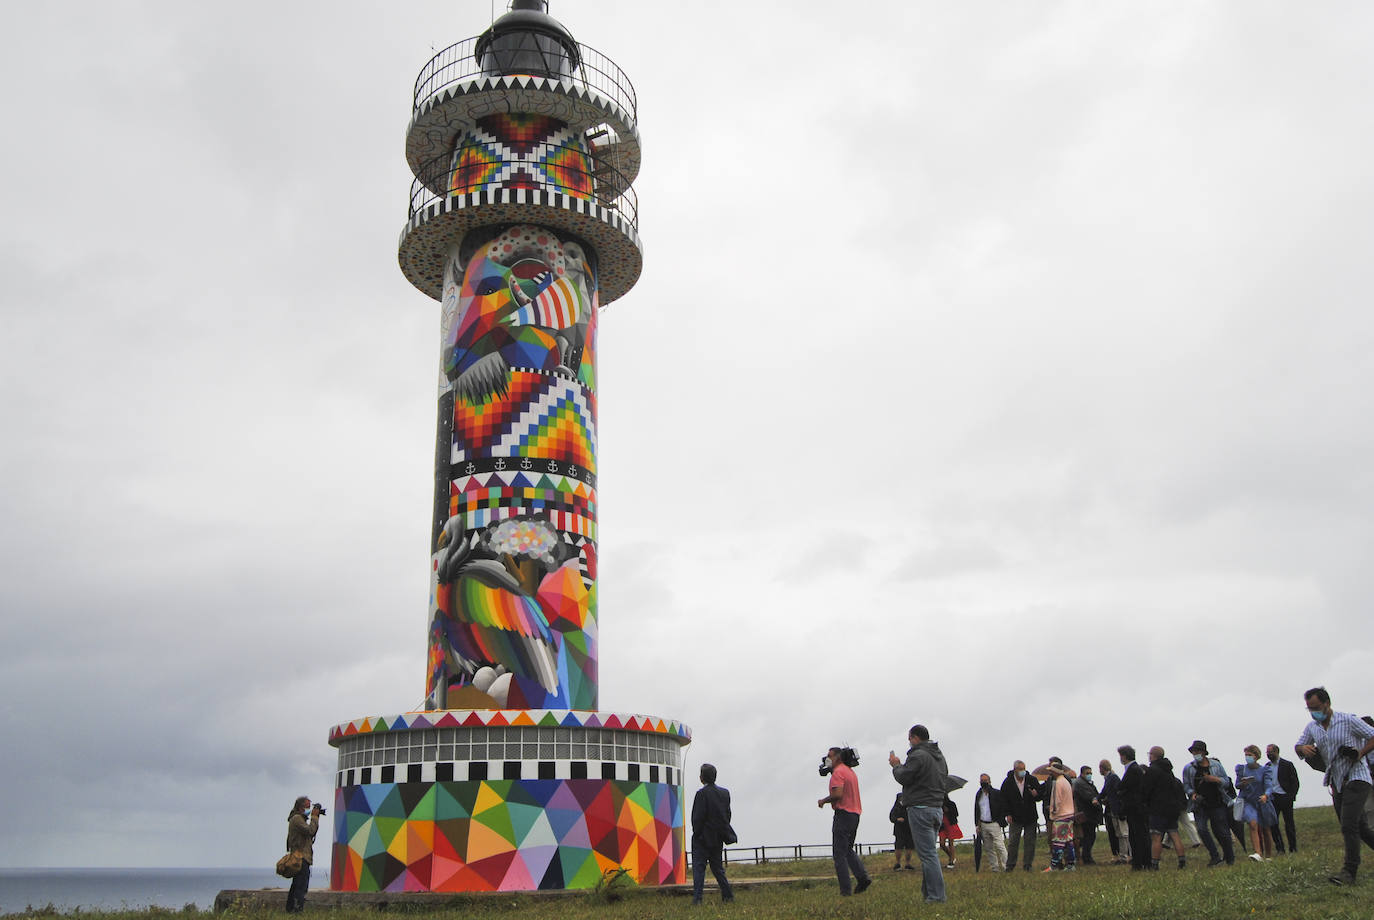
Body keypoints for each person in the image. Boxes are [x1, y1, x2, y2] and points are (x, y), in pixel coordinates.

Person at [1295, 687, 1374, 885]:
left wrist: (1360, 753)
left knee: (1349, 825)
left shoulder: (1347, 720)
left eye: (1316, 707)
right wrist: (1302, 748)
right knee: (1361, 829)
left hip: (1358, 777)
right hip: (1336, 782)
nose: (1314, 712)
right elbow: (1299, 745)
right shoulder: (1312, 727)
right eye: (1309, 709)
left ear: (1327, 703)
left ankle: (1349, 872)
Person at [890, 724, 949, 903]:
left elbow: (904, 777)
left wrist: (896, 765)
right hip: (936, 808)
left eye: (909, 739)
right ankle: (928, 894)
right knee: (929, 853)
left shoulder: (918, 755)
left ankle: (937, 897)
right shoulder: (939, 756)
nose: (909, 742)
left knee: (928, 855)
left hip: (920, 809)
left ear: (915, 738)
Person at [819, 746, 871, 896]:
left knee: (839, 854)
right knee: (848, 849)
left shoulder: (838, 772)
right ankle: (862, 878)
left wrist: (823, 800)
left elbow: (838, 794)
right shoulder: (850, 772)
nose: (827, 759)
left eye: (830, 756)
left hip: (843, 814)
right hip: (855, 814)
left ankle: (845, 891)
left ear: (838, 758)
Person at [1182, 740, 1235, 867]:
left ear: (1204, 752)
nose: (1195, 754)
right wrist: (1192, 793)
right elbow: (1186, 786)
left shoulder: (1216, 765)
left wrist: (1215, 779)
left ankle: (1229, 857)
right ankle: (1214, 856)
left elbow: (1226, 782)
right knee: (1201, 829)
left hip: (1217, 802)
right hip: (1200, 805)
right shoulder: (1189, 768)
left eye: (1197, 751)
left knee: (1222, 831)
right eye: (1193, 751)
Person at [690, 763, 735, 904]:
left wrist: (697, 833)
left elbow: (697, 817)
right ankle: (728, 896)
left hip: (702, 838)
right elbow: (727, 815)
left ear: (702, 777)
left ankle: (697, 899)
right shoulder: (725, 793)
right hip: (718, 837)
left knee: (699, 869)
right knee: (717, 868)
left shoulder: (701, 794)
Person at [1235, 744, 1277, 862]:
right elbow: (1237, 784)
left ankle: (1268, 855)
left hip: (1262, 801)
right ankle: (1257, 853)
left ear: (1256, 756)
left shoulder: (1264, 770)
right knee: (1253, 824)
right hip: (1248, 801)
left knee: (1266, 829)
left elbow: (1269, 786)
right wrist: (1243, 783)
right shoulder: (1242, 769)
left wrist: (1266, 795)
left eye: (1250, 755)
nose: (1247, 757)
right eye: (1246, 755)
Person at [999, 759, 1042, 872]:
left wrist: (1036, 794)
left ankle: (1027, 865)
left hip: (1030, 816)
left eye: (1024, 769)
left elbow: (1039, 795)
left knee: (1030, 842)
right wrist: (1007, 814)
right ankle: (1010, 865)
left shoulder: (1031, 780)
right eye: (1020, 769)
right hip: (1015, 817)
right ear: (1015, 770)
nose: (1023, 771)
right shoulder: (1008, 782)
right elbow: (1003, 800)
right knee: (1013, 842)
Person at [1040, 758, 1078, 871]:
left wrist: (1052, 812)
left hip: (1061, 816)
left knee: (1058, 842)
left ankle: (1054, 865)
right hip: (1069, 814)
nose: (1050, 773)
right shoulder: (1066, 782)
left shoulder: (1058, 783)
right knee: (1068, 841)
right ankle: (1070, 864)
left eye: (1052, 771)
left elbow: (1057, 801)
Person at [1118, 745, 1151, 870]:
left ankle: (1140, 862)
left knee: (1138, 836)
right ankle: (1141, 861)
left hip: (1136, 808)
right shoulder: (1134, 769)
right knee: (1138, 835)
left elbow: (1125, 787)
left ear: (1124, 756)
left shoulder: (1133, 770)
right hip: (1137, 808)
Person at [285, 796, 320, 913]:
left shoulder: (298, 819)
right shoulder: (297, 819)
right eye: (308, 807)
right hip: (301, 858)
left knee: (296, 884)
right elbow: (311, 831)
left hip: (300, 857)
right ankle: (297, 910)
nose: (310, 810)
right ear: (301, 808)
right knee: (301, 886)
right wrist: (315, 817)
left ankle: (290, 909)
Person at [1267, 743, 1300, 854]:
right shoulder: (1267, 767)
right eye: (1267, 752)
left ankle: (1293, 847)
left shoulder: (1287, 765)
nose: (1268, 754)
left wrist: (1291, 796)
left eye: (1270, 752)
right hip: (1273, 798)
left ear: (1276, 752)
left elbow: (1295, 782)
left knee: (1289, 824)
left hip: (1285, 797)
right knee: (1273, 824)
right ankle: (1280, 848)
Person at [972, 773, 1008, 872]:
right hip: (983, 824)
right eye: (981, 781)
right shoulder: (979, 794)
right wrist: (977, 824)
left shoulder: (996, 793)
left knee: (1000, 846)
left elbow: (1003, 807)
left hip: (994, 823)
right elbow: (977, 810)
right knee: (988, 848)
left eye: (985, 780)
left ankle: (1006, 867)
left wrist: (1000, 820)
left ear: (989, 781)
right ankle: (995, 868)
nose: (983, 782)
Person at [1099, 758, 1129, 864]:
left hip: (1117, 809)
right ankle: (1123, 854)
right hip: (1114, 809)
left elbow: (1116, 793)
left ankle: (1125, 855)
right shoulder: (1109, 778)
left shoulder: (1112, 778)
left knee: (1123, 833)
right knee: (1119, 833)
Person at [1072, 764, 1101, 865]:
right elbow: (1089, 796)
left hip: (1088, 813)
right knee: (1089, 836)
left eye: (1090, 773)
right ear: (1082, 773)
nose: (1089, 775)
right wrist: (1096, 800)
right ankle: (1086, 857)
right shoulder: (1081, 784)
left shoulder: (1086, 783)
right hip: (1086, 813)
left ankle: (1086, 856)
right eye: (1087, 773)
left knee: (1089, 836)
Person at [889, 793, 915, 870]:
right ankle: (898, 863)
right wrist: (897, 819)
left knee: (909, 847)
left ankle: (908, 863)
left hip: (909, 830)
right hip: (899, 831)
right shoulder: (896, 808)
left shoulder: (909, 806)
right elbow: (891, 817)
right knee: (899, 847)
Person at [938, 794, 963, 869]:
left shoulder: (952, 804)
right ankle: (951, 856)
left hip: (951, 825)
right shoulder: (938, 805)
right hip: (942, 826)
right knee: (942, 844)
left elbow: (956, 814)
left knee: (950, 843)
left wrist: (948, 811)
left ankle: (951, 861)